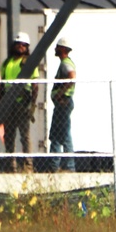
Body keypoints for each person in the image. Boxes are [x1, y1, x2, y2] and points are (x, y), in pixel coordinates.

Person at [0, 31, 39, 172]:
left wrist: (33, 104)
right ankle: (11, 165)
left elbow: (35, 85)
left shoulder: (29, 62)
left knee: (24, 136)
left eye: (24, 45)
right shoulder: (6, 63)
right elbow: (2, 85)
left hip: (22, 102)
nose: (21, 46)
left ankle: (28, 165)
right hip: (8, 103)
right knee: (9, 136)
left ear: (27, 47)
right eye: (18, 44)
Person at [48, 37, 76, 170]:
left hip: (63, 103)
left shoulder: (65, 63)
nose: (55, 49)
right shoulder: (64, 63)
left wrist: (59, 94)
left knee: (59, 135)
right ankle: (67, 166)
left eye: (57, 46)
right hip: (63, 103)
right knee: (64, 134)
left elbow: (72, 77)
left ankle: (57, 166)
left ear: (63, 49)